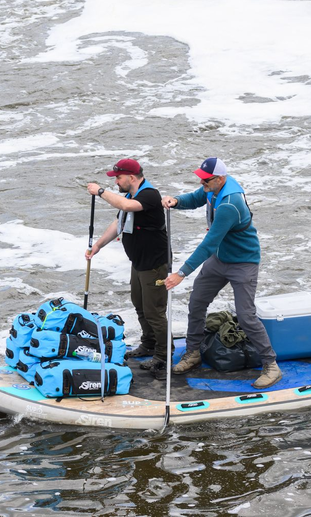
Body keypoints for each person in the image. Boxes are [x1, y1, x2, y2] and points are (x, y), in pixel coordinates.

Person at [161, 158, 282, 389]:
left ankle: (271, 365)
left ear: (221, 179)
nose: (202, 182)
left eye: (206, 180)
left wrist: (182, 273)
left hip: (243, 263)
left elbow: (208, 243)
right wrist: (176, 201)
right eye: (201, 178)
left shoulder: (229, 203)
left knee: (246, 316)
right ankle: (193, 352)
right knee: (197, 303)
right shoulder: (213, 188)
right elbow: (197, 197)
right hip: (220, 258)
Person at [86, 159, 170, 379]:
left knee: (154, 311)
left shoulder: (149, 195)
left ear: (131, 177)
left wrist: (100, 191)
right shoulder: (131, 196)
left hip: (154, 265)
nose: (116, 182)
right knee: (140, 305)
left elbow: (125, 207)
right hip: (139, 262)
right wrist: (97, 246)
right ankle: (149, 344)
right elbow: (118, 223)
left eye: (118, 177)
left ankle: (163, 356)